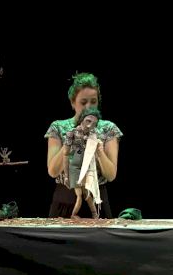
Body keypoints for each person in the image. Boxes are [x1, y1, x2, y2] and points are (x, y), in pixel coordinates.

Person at [45, 72, 122, 217]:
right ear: (73, 103)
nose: (88, 107)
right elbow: (53, 171)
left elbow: (111, 175)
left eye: (93, 102)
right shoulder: (58, 127)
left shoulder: (108, 129)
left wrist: (98, 150)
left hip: (97, 197)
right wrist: (71, 139)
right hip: (65, 198)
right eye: (83, 102)